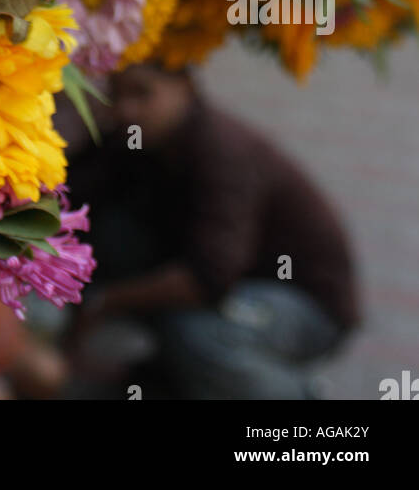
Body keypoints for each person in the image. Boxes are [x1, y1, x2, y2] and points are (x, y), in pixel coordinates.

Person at [66, 64, 359, 400]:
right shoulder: (140, 137)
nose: (126, 109)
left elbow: (209, 278)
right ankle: (178, 372)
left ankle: (293, 394)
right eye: (115, 95)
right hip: (234, 281)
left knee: (199, 335)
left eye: (142, 93)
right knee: (115, 237)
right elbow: (76, 187)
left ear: (186, 86)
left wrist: (105, 302)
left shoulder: (223, 153)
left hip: (304, 306)